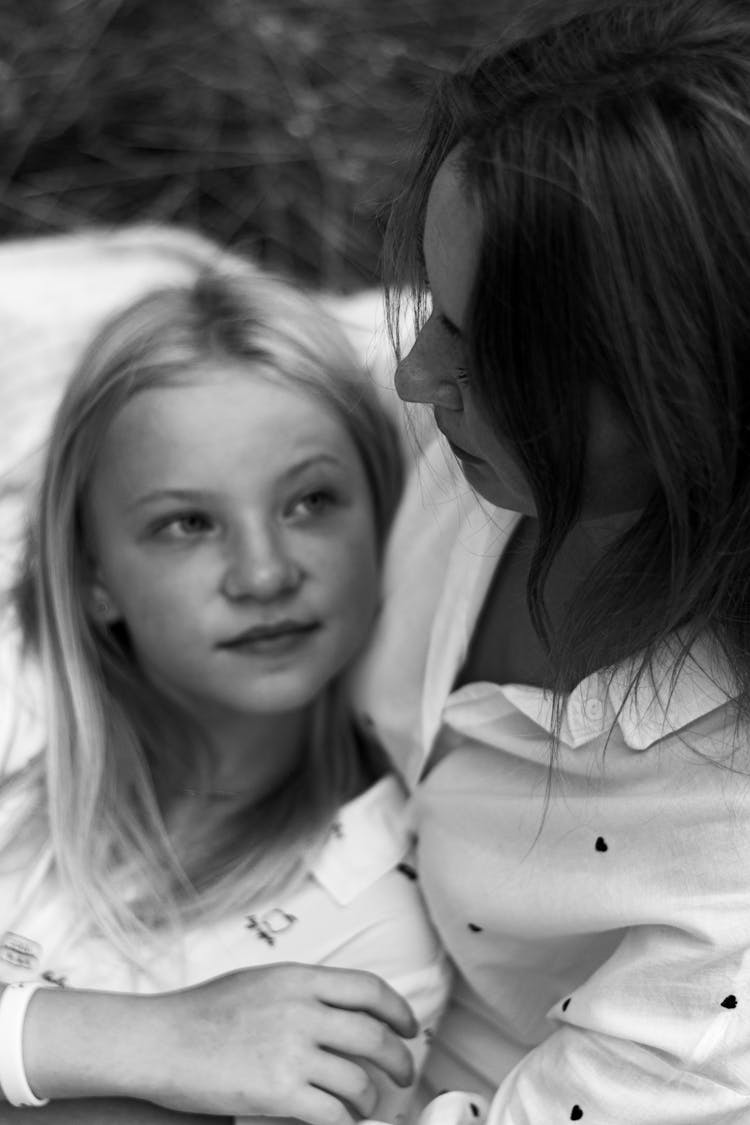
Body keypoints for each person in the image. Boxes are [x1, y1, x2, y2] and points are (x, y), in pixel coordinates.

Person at [353, 0, 750, 1122]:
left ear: (689, 392)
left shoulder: (732, 884)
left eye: (484, 348)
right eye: (434, 307)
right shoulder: (473, 457)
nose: (414, 377)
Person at [0, 264, 448, 1122]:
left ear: (381, 516)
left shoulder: (373, 922)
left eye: (310, 501)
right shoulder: (19, 727)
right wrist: (153, 1041)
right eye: (188, 523)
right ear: (95, 576)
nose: (264, 572)